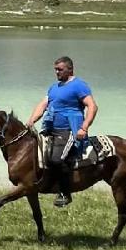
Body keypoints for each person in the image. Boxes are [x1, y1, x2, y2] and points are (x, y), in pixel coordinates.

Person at [26, 55, 98, 207]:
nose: (57, 72)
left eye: (60, 69)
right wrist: (32, 120)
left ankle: (65, 193)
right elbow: (42, 105)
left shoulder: (79, 85)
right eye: (55, 70)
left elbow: (92, 106)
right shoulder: (54, 87)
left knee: (56, 159)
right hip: (51, 129)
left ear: (70, 69)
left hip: (69, 130)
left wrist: (84, 127)